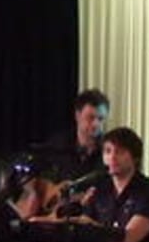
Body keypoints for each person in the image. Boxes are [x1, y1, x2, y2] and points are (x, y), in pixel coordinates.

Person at [12, 88, 109, 220]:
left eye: (101, 119)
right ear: (77, 116)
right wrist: (33, 190)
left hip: (87, 218)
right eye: (90, 118)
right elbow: (29, 173)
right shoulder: (57, 145)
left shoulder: (108, 154)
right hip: (52, 217)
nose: (96, 124)